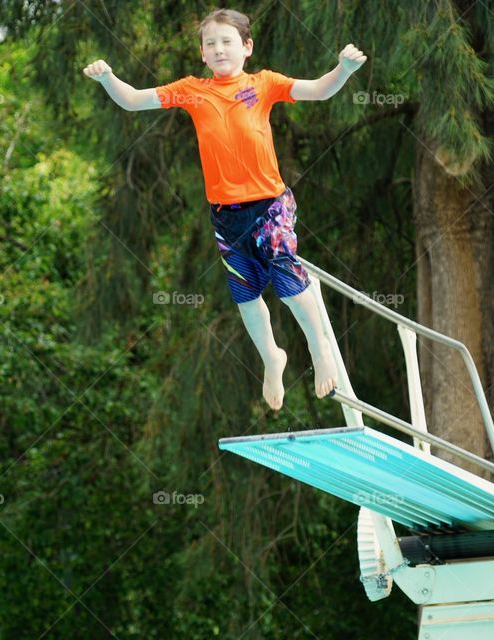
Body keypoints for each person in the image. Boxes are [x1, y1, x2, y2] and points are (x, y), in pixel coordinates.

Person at [82, 8, 366, 411]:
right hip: (226, 214)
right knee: (247, 298)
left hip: (271, 204)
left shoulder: (264, 84)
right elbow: (131, 101)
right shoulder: (191, 90)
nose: (219, 49)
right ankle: (272, 358)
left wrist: (343, 70)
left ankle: (319, 349)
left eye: (227, 42)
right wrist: (107, 77)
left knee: (288, 284)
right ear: (201, 53)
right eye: (210, 44)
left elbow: (319, 90)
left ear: (246, 47)